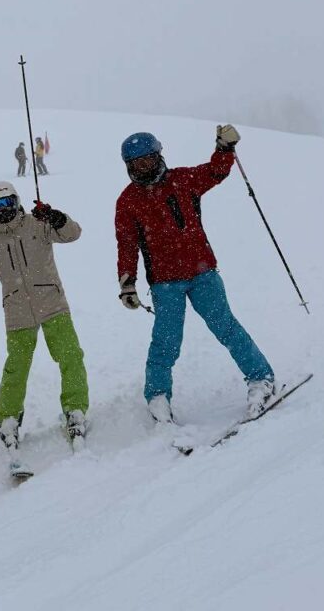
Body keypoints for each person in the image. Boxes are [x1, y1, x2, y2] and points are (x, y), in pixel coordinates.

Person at [113, 127, 275, 425]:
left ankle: (260, 378)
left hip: (203, 275)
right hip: (164, 284)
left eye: (148, 160)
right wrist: (127, 282)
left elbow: (216, 171)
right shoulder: (128, 201)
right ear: (128, 166)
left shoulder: (182, 179)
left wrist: (224, 148)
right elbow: (127, 244)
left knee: (226, 327)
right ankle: (158, 397)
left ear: (159, 156)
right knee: (166, 342)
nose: (144, 168)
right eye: (137, 164)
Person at [0, 181, 89, 458]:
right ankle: (8, 418)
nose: (4, 209)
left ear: (16, 200)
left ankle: (75, 410)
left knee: (70, 356)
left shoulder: (39, 224)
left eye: (7, 202)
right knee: (16, 367)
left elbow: (72, 233)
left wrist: (55, 217)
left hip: (52, 304)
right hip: (17, 311)